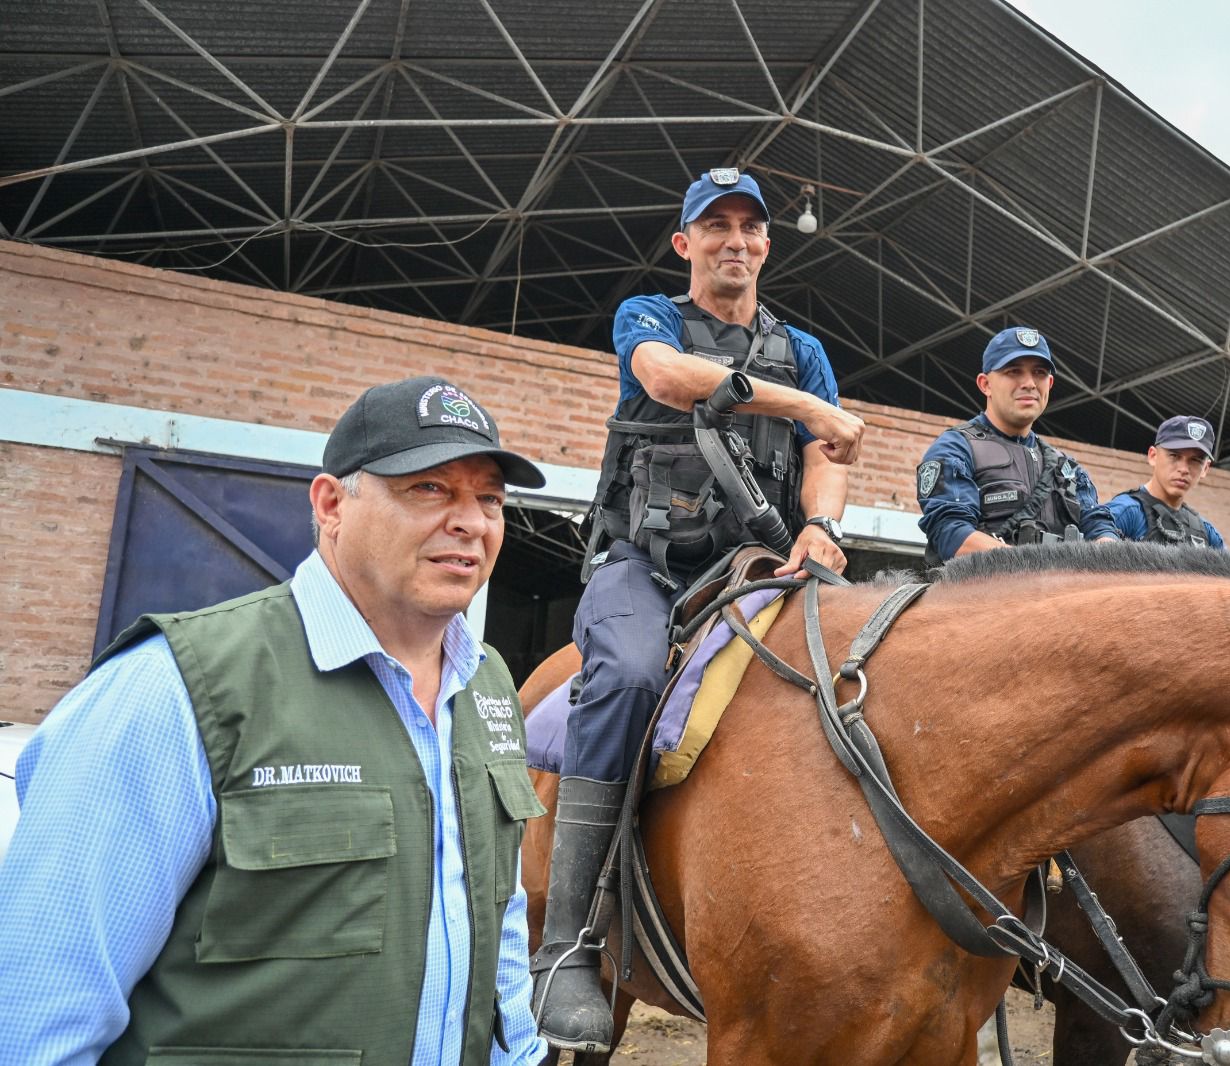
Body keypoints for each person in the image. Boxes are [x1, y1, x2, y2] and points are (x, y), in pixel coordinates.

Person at [0, 376, 550, 1065]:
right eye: (430, 489)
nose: (472, 521)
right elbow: (38, 1009)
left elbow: (493, 912)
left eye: (490, 498)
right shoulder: (178, 685)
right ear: (330, 505)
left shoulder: (489, 686)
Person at [535, 167, 864, 1052]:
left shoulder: (804, 347)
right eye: (713, 225)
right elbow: (670, 379)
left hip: (754, 567)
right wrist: (801, 405)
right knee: (635, 671)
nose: (735, 240)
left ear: (766, 243)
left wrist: (823, 525)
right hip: (641, 568)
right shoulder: (647, 316)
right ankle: (568, 946)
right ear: (686, 244)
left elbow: (829, 451)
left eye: (749, 227)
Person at [916, 326, 1118, 563]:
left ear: (1050, 384)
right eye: (1013, 371)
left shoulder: (1067, 469)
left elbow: (1098, 524)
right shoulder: (956, 449)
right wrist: (1033, 567)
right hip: (981, 595)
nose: (1030, 383)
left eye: (1039, 373)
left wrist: (1109, 552)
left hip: (1061, 594)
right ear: (985, 384)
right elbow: (951, 534)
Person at [1105, 416, 1226, 548]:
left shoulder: (1208, 535)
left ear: (1205, 468)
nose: (1184, 469)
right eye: (1174, 456)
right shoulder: (1126, 513)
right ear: (1153, 456)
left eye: (1195, 460)